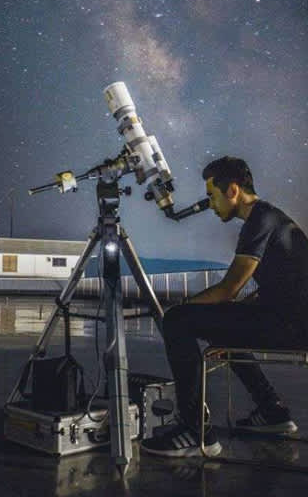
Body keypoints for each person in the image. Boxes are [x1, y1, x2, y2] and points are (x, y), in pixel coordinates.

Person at [141, 156, 308, 458]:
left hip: (293, 328)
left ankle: (194, 431)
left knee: (178, 321)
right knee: (223, 323)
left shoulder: (259, 221)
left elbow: (228, 289)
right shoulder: (269, 217)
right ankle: (272, 412)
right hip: (293, 321)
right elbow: (281, 291)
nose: (210, 205)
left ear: (232, 191)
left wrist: (183, 307)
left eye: (211, 196)